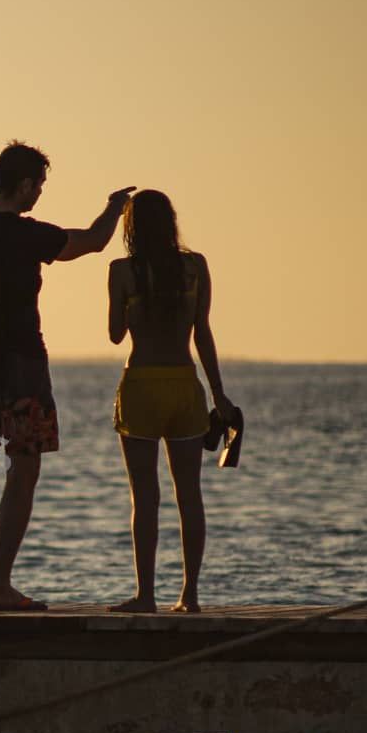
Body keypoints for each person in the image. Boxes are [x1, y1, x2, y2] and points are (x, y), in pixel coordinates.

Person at [0, 141, 134, 611]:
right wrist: (115, 207)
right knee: (23, 469)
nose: (40, 195)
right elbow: (92, 241)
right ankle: (1, 585)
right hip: (21, 366)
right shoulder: (27, 234)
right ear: (26, 184)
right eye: (40, 186)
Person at [106, 189, 233, 613]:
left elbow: (114, 334)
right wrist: (219, 394)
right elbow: (203, 332)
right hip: (184, 384)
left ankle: (145, 595)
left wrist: (131, 306)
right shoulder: (195, 267)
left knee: (145, 498)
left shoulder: (122, 270)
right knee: (189, 496)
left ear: (132, 228)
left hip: (141, 385)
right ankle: (190, 595)